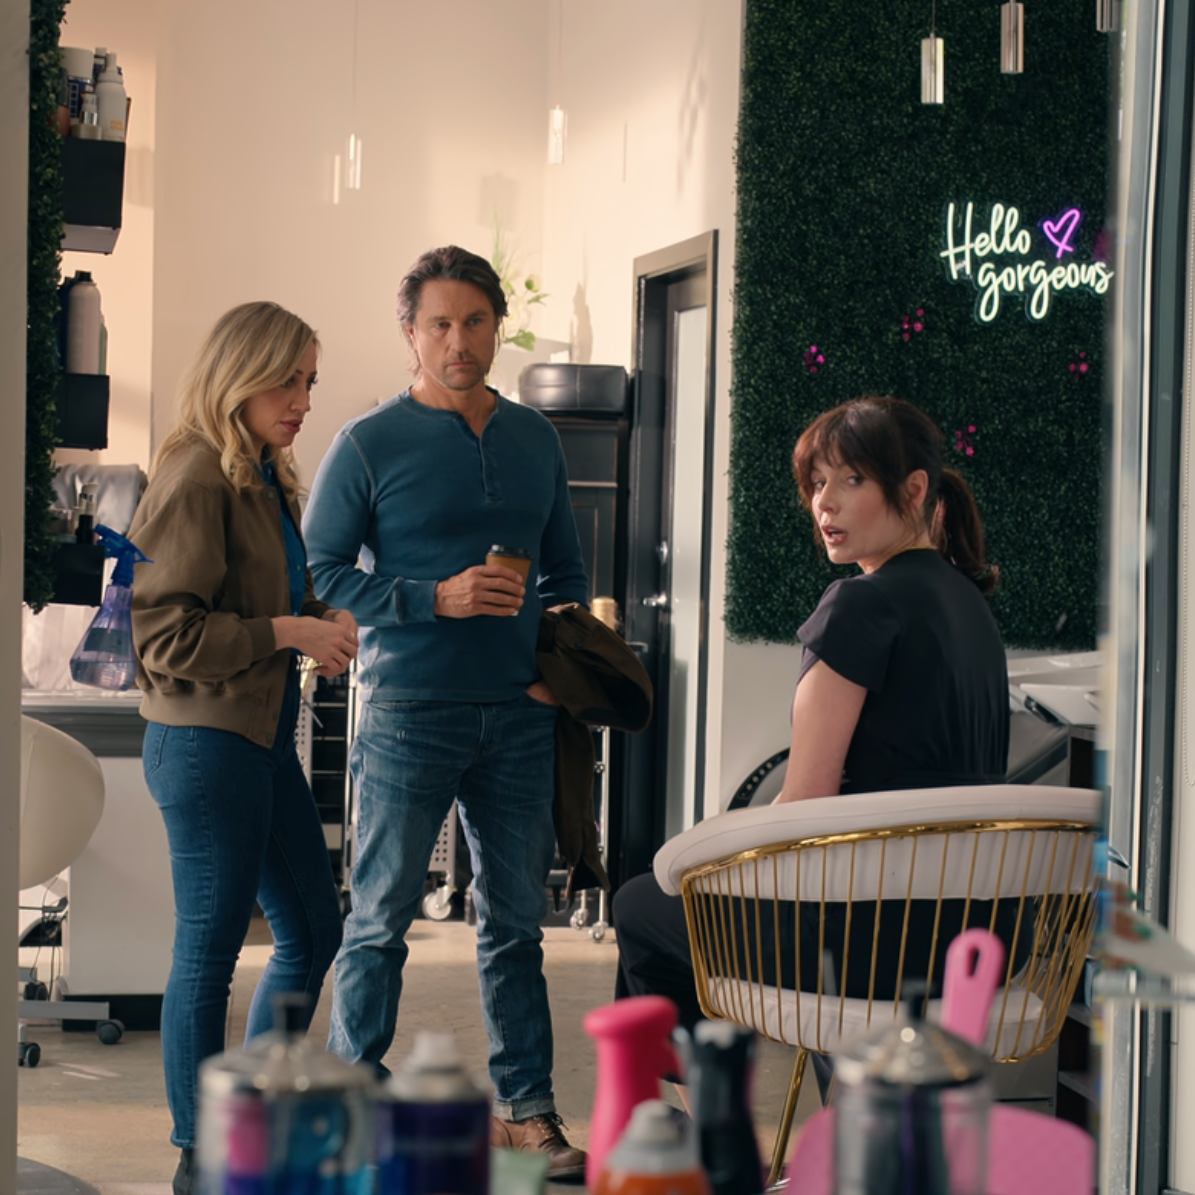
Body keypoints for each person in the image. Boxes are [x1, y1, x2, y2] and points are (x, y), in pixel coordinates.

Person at [302, 245, 591, 1179]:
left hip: (517, 714)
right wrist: (435, 598)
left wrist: (553, 672)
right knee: (379, 919)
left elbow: (569, 576)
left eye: (473, 321)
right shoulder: (367, 442)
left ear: (495, 326)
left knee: (515, 924)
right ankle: (350, 1101)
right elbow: (322, 573)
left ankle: (527, 1108)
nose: (457, 341)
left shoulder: (537, 439)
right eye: (438, 323)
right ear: (410, 332)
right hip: (407, 711)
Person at [613, 394, 1011, 1046]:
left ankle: (692, 1128)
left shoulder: (859, 605)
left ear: (913, 489)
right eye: (817, 481)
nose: (824, 502)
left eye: (851, 479)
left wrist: (706, 856)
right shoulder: (969, 604)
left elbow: (803, 806)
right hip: (973, 938)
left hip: (865, 939)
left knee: (640, 902)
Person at [128, 302, 360, 1195]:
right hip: (203, 743)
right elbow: (166, 639)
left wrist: (318, 619)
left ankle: (253, 1105)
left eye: (309, 380)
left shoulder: (263, 471)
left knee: (312, 928)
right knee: (211, 950)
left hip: (256, 741)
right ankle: (204, 1149)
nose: (302, 399)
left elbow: (272, 603)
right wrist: (288, 630)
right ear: (242, 371)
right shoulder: (194, 472)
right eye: (287, 379)